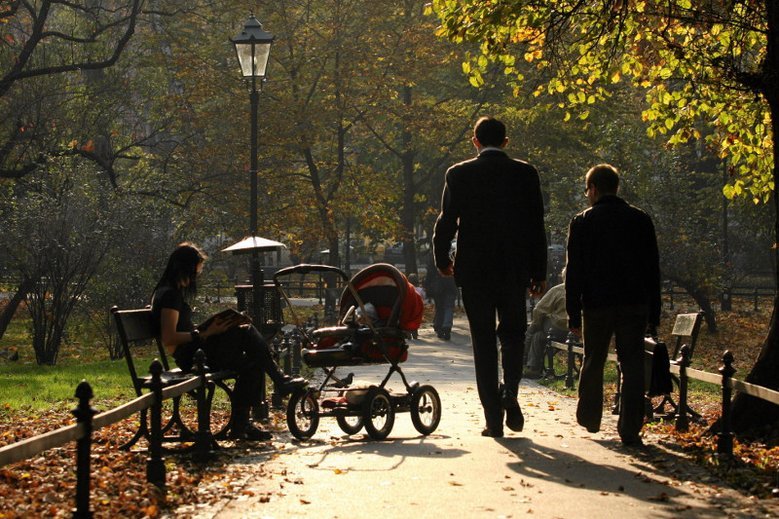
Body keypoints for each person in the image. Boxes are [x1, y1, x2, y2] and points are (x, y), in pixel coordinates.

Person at [433, 116, 547, 437]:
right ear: (506, 142)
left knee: (482, 342)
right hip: (514, 269)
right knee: (513, 334)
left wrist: (443, 259)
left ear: (475, 141)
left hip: (474, 271)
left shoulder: (458, 174)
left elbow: (447, 221)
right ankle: (510, 390)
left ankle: (492, 420)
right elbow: (536, 225)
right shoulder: (526, 174)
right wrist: (539, 271)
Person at [150, 242, 306, 441]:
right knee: (246, 331)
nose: (198, 273)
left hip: (196, 352)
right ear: (187, 267)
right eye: (197, 269)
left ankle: (241, 425)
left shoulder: (169, 291)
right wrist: (205, 332)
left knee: (253, 361)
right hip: (192, 358)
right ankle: (279, 379)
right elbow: (169, 337)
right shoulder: (169, 295)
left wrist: (213, 328)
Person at [565, 164, 660, 447]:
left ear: (593, 189)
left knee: (594, 360)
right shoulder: (640, 220)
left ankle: (590, 417)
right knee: (631, 364)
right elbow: (651, 269)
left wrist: (572, 311)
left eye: (587, 191)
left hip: (596, 304)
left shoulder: (583, 222)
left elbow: (574, 272)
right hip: (633, 303)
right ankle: (630, 429)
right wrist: (653, 311)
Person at [524, 276, 567, 379]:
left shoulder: (559, 289)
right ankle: (533, 368)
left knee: (532, 329)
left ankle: (522, 361)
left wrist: (537, 324)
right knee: (538, 336)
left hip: (558, 328)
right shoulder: (586, 290)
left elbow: (538, 310)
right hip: (576, 332)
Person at [424, 254, 458, 341]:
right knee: (448, 307)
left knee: (439, 307)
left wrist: (428, 289)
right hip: (450, 286)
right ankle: (447, 326)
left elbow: (429, 276)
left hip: (438, 288)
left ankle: (439, 327)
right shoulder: (451, 258)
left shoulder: (433, 261)